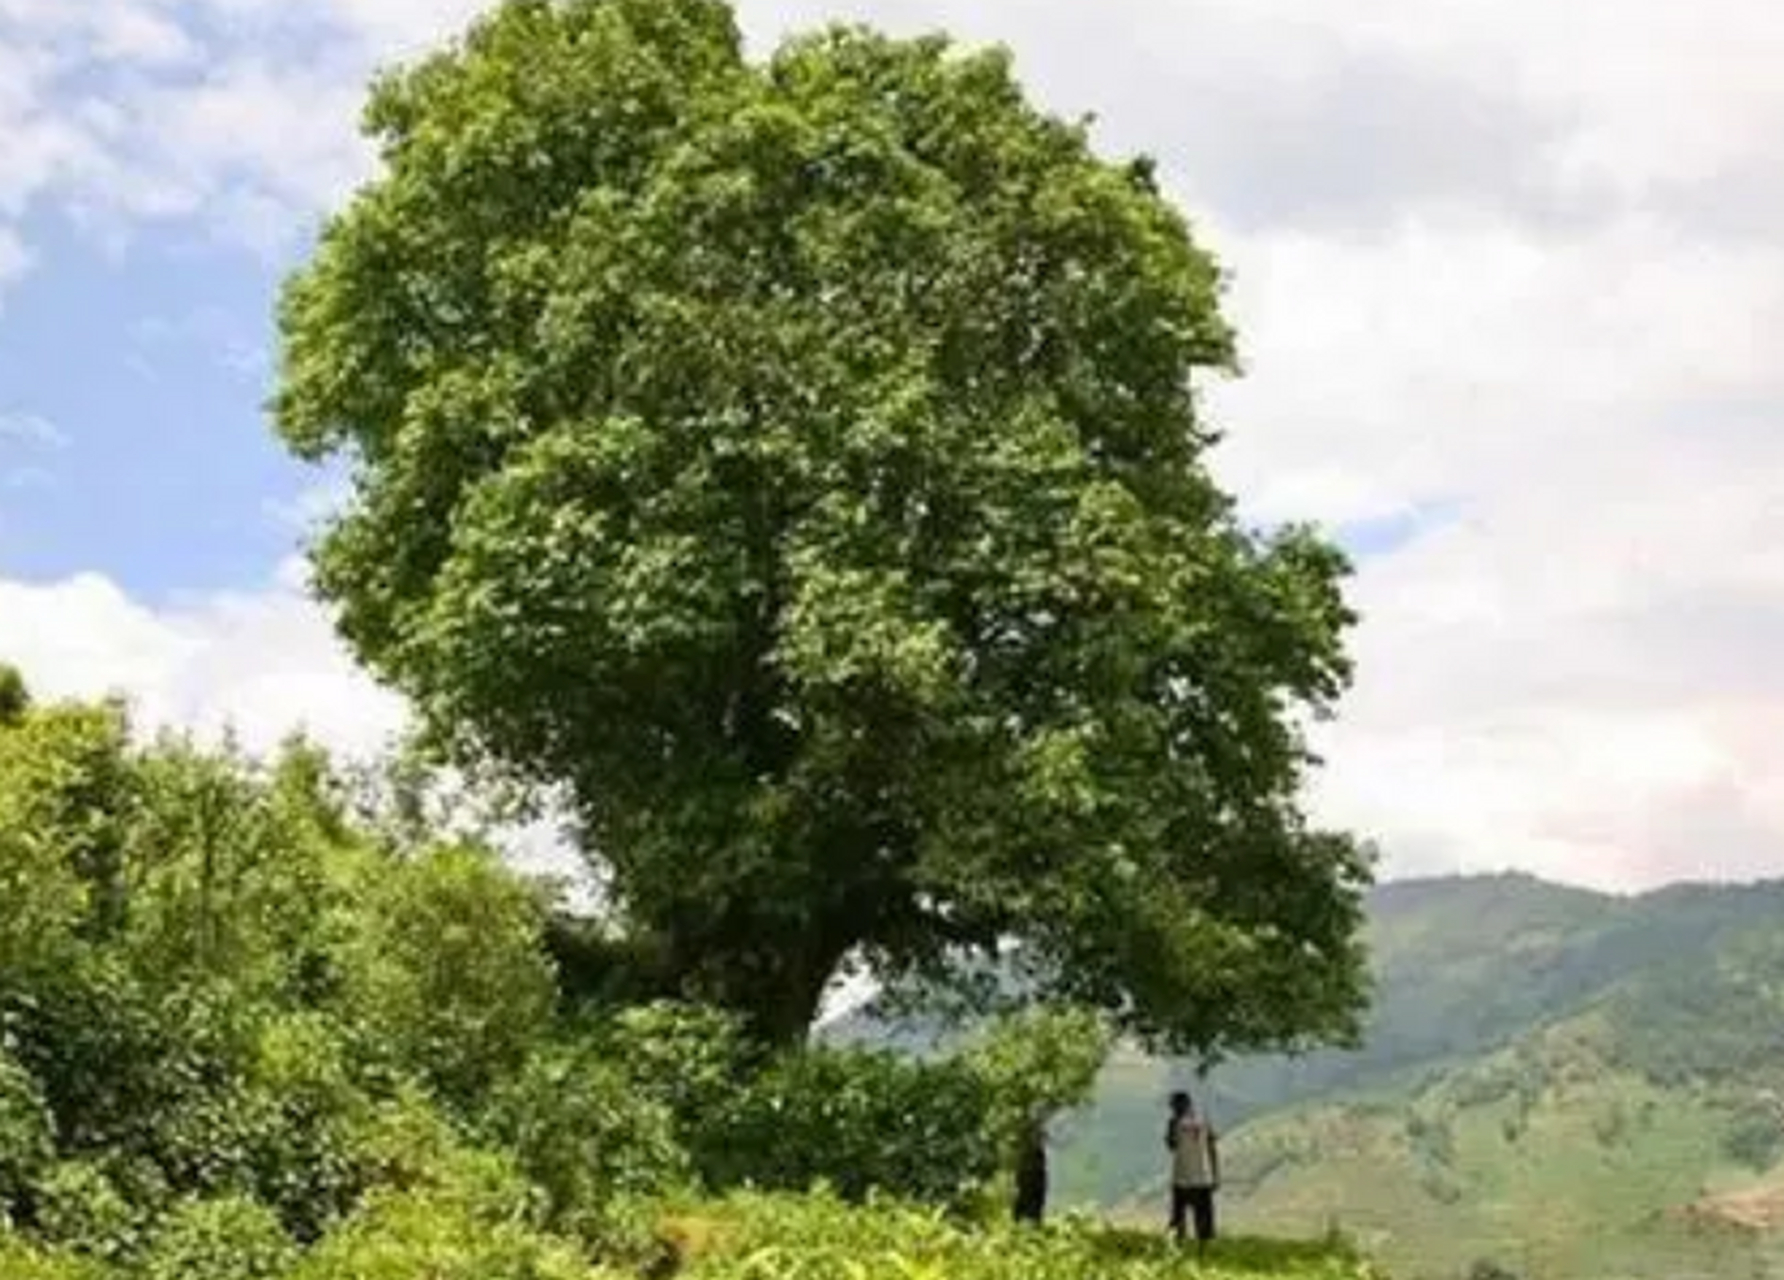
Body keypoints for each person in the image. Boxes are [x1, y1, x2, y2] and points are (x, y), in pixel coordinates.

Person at [1165, 1090, 1219, 1253]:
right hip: (1203, 1177)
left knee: (1178, 1217)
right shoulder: (1203, 1121)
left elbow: (1171, 1146)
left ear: (1180, 1105)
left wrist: (1173, 1126)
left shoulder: (1174, 1123)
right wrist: (1216, 1175)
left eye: (1174, 1106)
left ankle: (1178, 1249)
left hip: (1182, 1178)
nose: (1173, 1109)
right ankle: (1202, 1251)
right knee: (1203, 1218)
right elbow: (1212, 1148)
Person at [1012, 1112, 1048, 1225]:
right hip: (1028, 1185)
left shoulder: (1037, 1153)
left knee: (1034, 1208)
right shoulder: (1027, 1153)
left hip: (1035, 1186)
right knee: (1023, 1204)